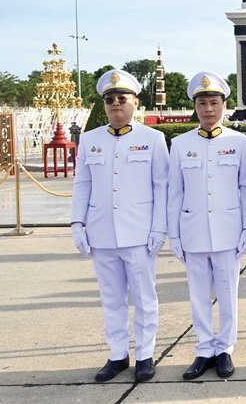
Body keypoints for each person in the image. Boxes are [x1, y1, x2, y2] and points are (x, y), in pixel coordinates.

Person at [69, 69, 169, 383]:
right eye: (110, 99)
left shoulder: (152, 139)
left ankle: (145, 355)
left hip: (139, 234)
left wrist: (158, 228)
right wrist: (77, 223)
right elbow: (82, 185)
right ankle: (116, 354)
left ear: (135, 103)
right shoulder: (90, 139)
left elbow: (161, 188)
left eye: (121, 98)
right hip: (101, 233)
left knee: (143, 299)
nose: (115, 104)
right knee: (111, 299)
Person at [167, 72, 246, 380]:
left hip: (228, 230)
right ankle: (204, 348)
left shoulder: (239, 141)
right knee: (198, 295)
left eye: (213, 103)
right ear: (194, 106)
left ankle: (225, 349)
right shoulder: (180, 144)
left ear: (224, 105)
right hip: (193, 232)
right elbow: (174, 192)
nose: (208, 109)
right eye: (202, 103)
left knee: (228, 293)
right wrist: (173, 235)